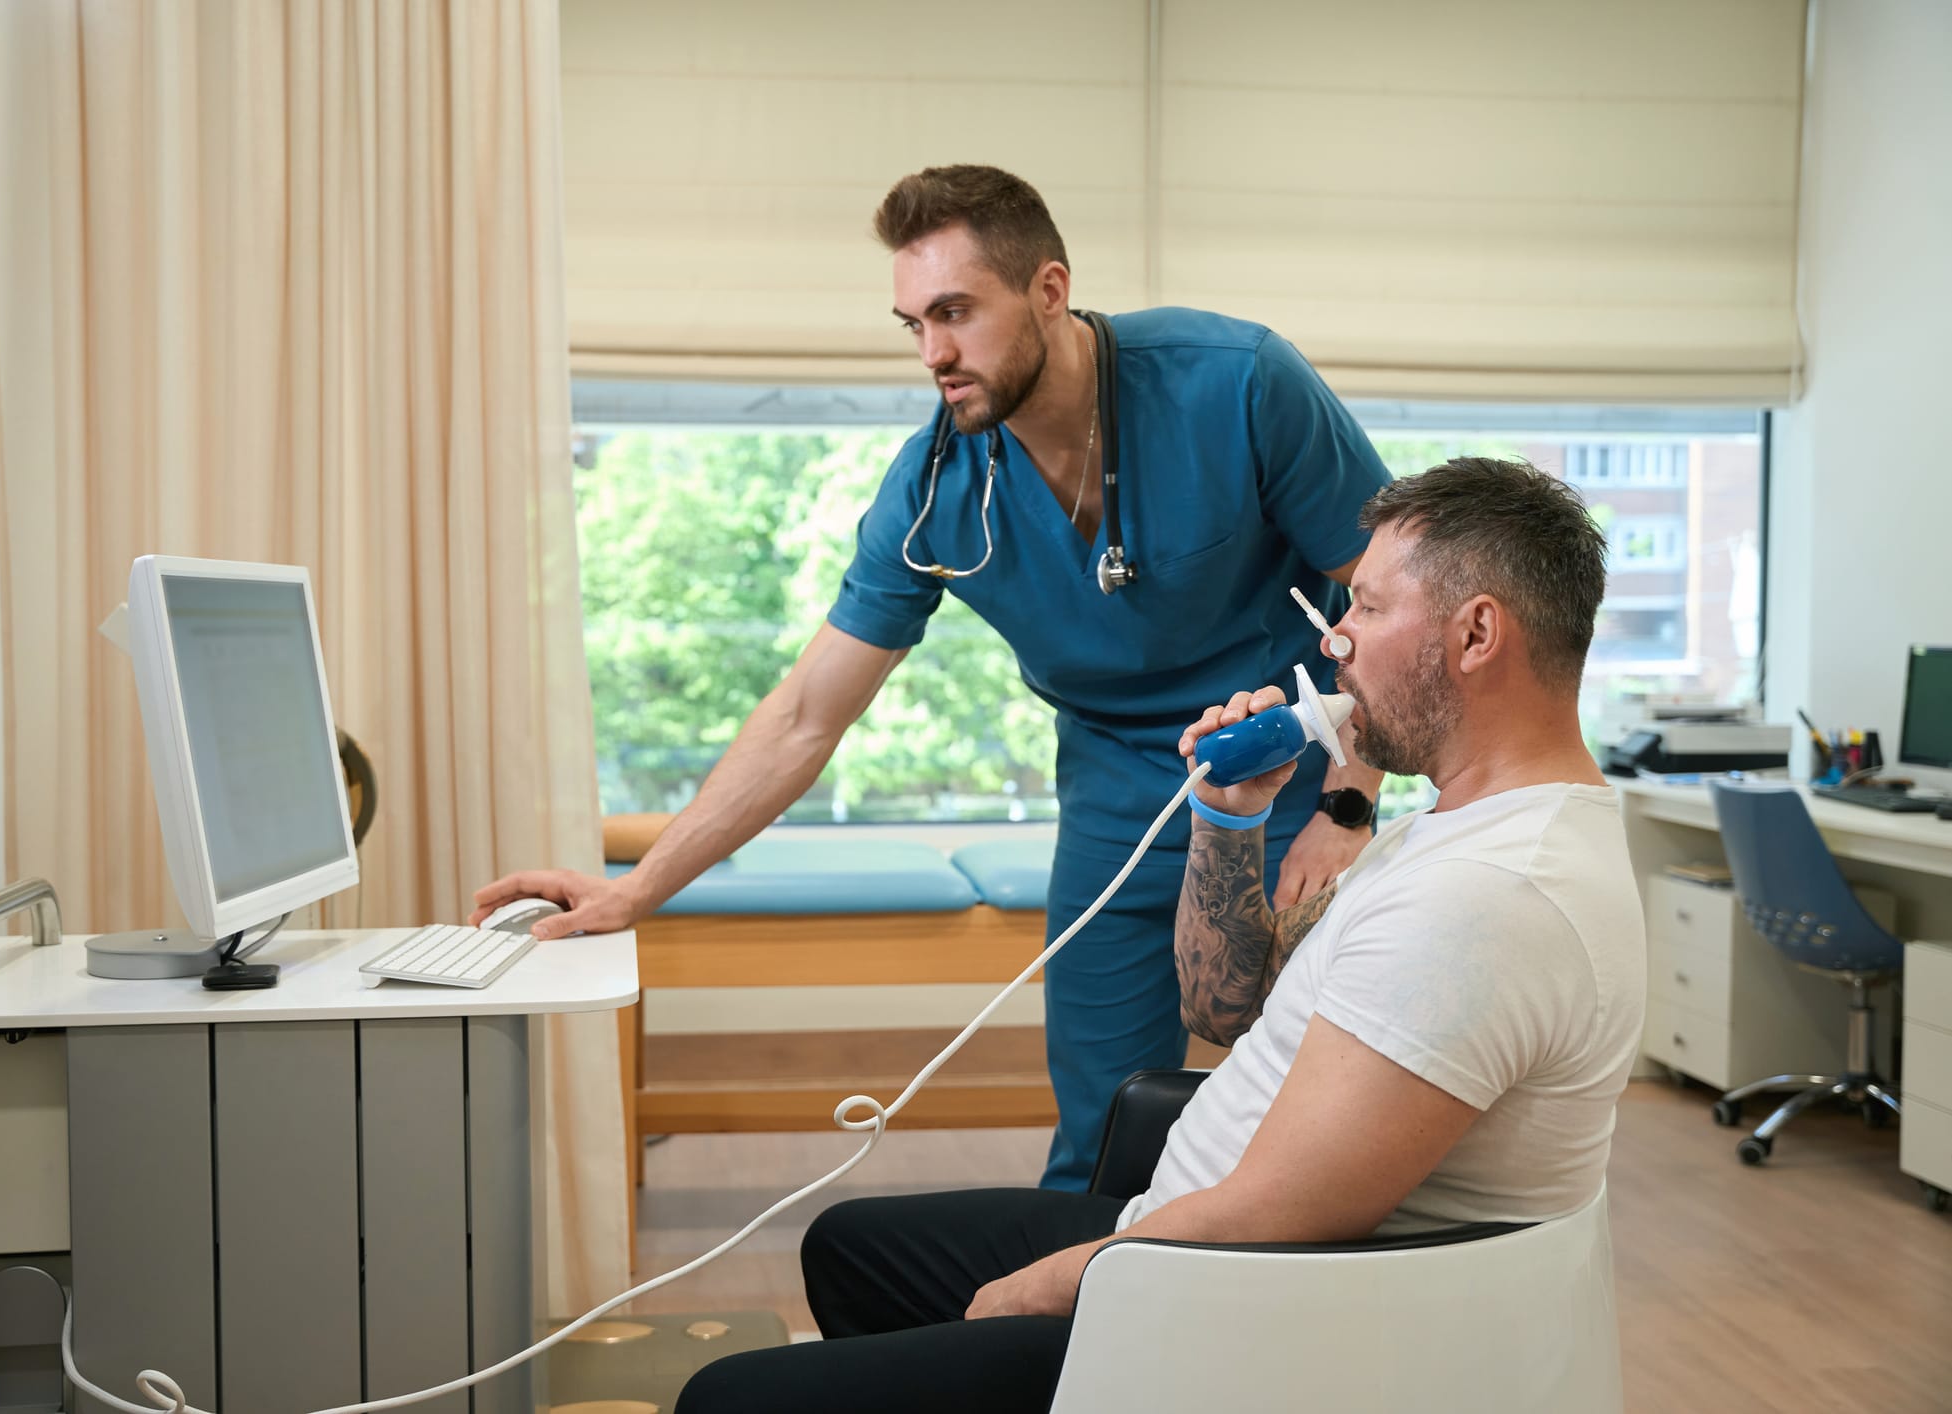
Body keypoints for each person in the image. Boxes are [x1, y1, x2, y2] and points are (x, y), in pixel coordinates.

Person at [473, 165, 1393, 1189]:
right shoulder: (935, 489)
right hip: (1117, 794)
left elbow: (1391, 602)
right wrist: (635, 891)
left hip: (1299, 768)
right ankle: (1076, 1333)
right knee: (1105, 1135)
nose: (934, 354)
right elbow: (803, 719)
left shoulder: (1236, 382)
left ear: (1049, 289)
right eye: (912, 322)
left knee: (1329, 1103)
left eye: (955, 312)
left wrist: (1350, 808)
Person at [670, 456, 1646, 1413]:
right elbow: (1225, 1009)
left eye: (1369, 608)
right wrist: (1229, 815)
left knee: (727, 1396)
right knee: (851, 1246)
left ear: (1476, 635)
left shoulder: (1487, 896)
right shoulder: (1457, 834)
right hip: (1189, 1240)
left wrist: (1055, 1283)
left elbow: (1286, 1215)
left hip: (1241, 1316)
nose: (1336, 642)